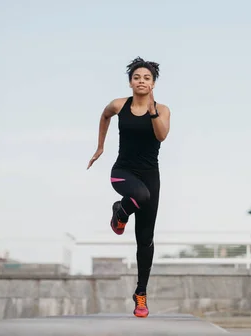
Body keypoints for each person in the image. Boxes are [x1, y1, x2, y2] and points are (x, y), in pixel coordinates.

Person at [87, 56, 171, 318]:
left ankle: (141, 294)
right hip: (122, 172)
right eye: (137, 77)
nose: (141, 81)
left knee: (145, 239)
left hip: (150, 176)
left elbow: (161, 135)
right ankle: (120, 212)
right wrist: (100, 146)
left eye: (147, 78)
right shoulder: (119, 105)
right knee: (140, 195)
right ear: (130, 82)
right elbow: (104, 115)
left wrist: (153, 111)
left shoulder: (162, 109)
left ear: (153, 83)